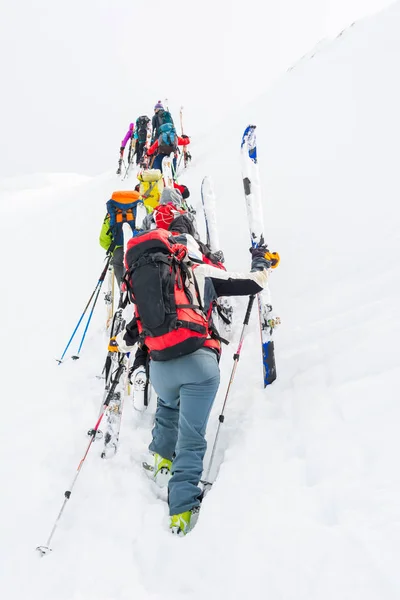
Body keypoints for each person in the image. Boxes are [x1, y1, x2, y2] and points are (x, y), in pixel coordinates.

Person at [115, 226, 272, 535]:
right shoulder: (198, 272)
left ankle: (161, 459)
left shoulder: (145, 287)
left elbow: (126, 339)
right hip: (199, 364)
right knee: (192, 436)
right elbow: (255, 284)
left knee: (168, 405)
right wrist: (260, 260)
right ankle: (182, 509)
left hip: (161, 370)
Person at [99, 190, 141, 286]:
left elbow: (103, 240)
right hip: (139, 246)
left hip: (119, 248)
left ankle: (123, 289)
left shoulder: (111, 213)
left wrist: (113, 250)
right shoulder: (143, 208)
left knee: (118, 263)